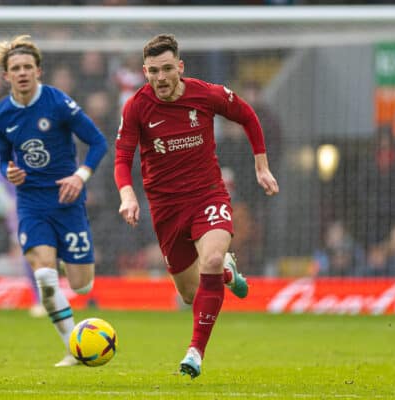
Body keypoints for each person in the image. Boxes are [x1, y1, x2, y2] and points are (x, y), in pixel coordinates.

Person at [114, 34, 279, 379]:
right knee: (190, 293)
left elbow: (247, 115)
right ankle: (227, 274)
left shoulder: (206, 94)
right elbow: (122, 156)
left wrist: (261, 165)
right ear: (145, 71)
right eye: (154, 71)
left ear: (180, 67)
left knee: (213, 257)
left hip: (208, 195)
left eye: (167, 69)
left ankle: (195, 352)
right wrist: (127, 195)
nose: (160, 77)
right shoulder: (136, 107)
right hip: (166, 208)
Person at [0, 35, 108, 367]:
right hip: (31, 203)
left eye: (28, 66)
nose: (23, 72)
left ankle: (65, 271)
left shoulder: (58, 103)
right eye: (16, 68)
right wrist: (8, 171)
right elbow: (3, 159)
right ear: (6, 76)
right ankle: (74, 347)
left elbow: (97, 142)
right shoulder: (0, 116)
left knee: (82, 286)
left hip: (67, 200)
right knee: (43, 274)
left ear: (38, 71)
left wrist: (79, 176)